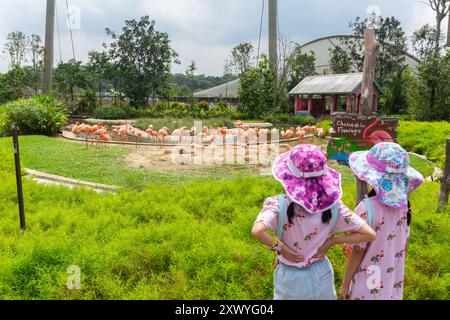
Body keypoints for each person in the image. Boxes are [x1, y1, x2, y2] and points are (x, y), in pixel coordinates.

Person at [251, 144, 376, 300]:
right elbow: (369, 234)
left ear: (288, 177)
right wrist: (333, 240)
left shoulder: (278, 204)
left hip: (290, 278)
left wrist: (281, 249)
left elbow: (257, 231)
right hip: (321, 272)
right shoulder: (334, 208)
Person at [340, 142, 424, 300]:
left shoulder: (366, 208)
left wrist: (345, 284)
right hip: (392, 282)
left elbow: (358, 250)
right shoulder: (404, 207)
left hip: (369, 282)